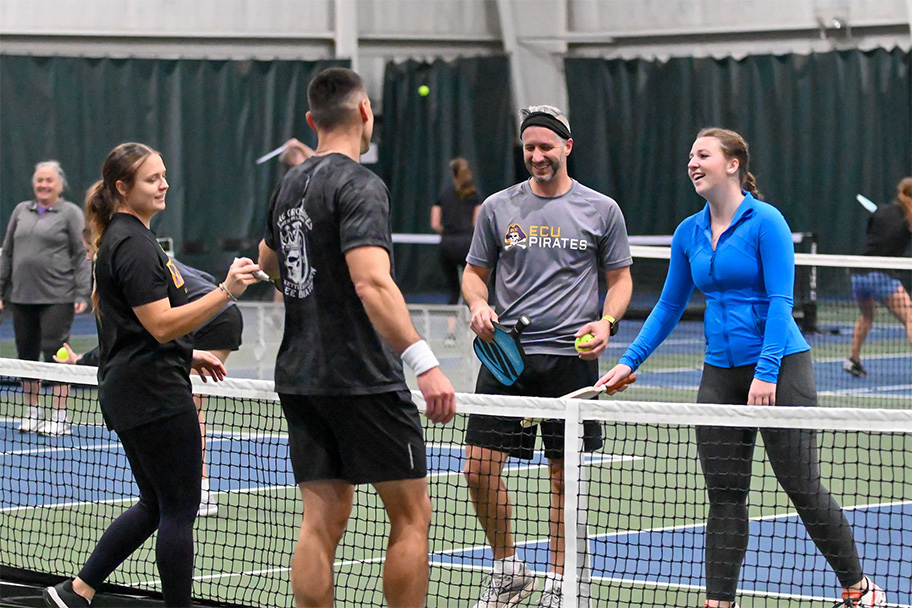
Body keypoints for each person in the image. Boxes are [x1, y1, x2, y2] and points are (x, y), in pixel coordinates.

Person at [596, 128, 886, 608]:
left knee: (802, 487)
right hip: (719, 373)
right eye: (690, 155)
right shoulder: (688, 232)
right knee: (725, 497)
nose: (692, 162)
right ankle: (719, 602)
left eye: (703, 154)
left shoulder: (766, 221)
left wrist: (767, 372)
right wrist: (628, 361)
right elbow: (669, 307)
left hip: (781, 366)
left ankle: (859, 588)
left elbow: (780, 302)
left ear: (732, 164)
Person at [257, 67, 456, 608]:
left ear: (310, 121)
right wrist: (425, 362)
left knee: (319, 522)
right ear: (365, 112)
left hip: (300, 377)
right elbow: (372, 282)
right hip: (364, 378)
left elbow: (268, 264)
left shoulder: (286, 184)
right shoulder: (360, 184)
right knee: (412, 517)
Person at [43, 142, 261, 608]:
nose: (164, 184)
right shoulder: (133, 246)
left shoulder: (132, 239)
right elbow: (160, 324)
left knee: (155, 503)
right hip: (153, 398)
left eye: (164, 175)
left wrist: (189, 354)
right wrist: (227, 290)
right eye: (151, 179)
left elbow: (136, 330)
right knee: (180, 509)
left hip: (140, 388)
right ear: (122, 188)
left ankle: (77, 590)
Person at [462, 104, 633, 608]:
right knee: (476, 469)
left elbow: (620, 280)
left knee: (563, 476)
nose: (537, 156)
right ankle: (509, 568)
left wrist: (607, 322)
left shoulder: (602, 210)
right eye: (529, 147)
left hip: (570, 364)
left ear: (567, 147)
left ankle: (561, 580)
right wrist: (476, 303)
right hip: (506, 358)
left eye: (546, 147)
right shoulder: (497, 207)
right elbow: (475, 273)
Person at [56, 254, 244, 518]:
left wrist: (80, 362)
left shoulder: (124, 266)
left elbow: (119, 340)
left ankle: (199, 492)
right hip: (225, 315)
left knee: (190, 403)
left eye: (88, 248)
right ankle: (195, 490)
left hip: (212, 320)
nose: (87, 255)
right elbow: (206, 280)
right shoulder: (157, 258)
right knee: (189, 401)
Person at [0, 160, 91, 435]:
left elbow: (82, 254)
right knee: (26, 355)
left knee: (56, 353)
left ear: (60, 184)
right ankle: (33, 410)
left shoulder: (70, 213)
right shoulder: (21, 211)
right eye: (40, 180)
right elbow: (8, 251)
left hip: (58, 297)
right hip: (21, 297)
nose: (43, 185)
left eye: (49, 180)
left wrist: (82, 291)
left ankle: (60, 415)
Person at [843, 176, 912, 377]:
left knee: (867, 316)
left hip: (860, 275)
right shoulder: (909, 219)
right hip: (881, 275)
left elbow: (871, 234)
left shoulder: (881, 211)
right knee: (910, 318)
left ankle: (853, 359)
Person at [431, 157, 483, 344]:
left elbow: (435, 223)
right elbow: (477, 223)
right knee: (476, 289)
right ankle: (479, 330)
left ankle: (450, 335)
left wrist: (449, 231)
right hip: (467, 245)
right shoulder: (475, 196)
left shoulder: (443, 196)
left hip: (447, 246)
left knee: (454, 291)